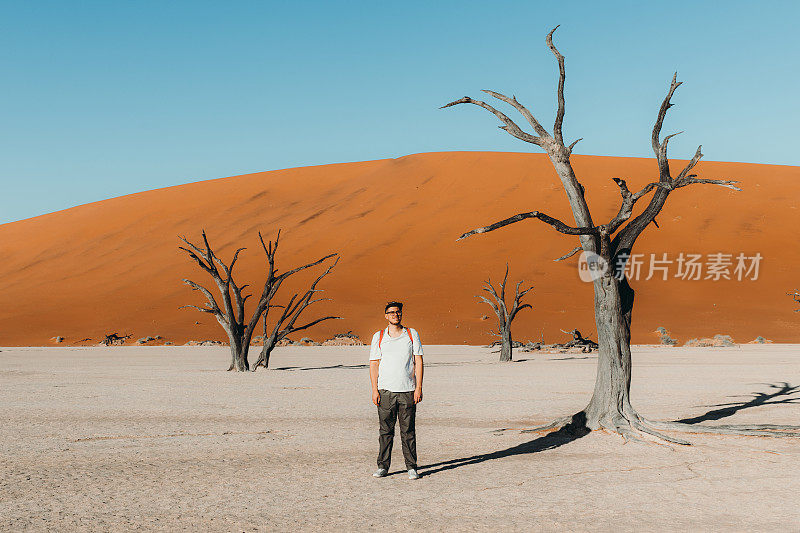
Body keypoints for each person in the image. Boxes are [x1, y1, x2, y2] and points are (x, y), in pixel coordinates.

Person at [369, 301, 424, 480]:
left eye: (398, 312)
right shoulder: (378, 336)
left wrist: (419, 387)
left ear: (401, 314)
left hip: (407, 390)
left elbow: (419, 362)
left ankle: (411, 467)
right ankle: (383, 466)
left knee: (408, 431)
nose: (395, 314)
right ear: (386, 315)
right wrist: (374, 389)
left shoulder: (411, 334)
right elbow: (374, 364)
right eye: (391, 312)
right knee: (385, 431)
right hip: (385, 391)